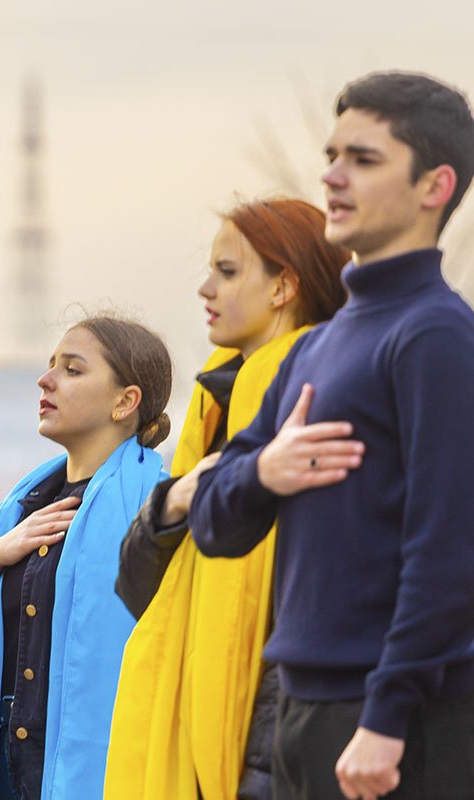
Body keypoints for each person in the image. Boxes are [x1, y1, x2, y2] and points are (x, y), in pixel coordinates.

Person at [189, 71, 474, 800]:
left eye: (364, 159)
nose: (332, 177)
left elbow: (449, 548)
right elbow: (216, 520)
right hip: (302, 711)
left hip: (397, 722)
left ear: (434, 186)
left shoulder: (436, 335)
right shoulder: (320, 345)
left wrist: (386, 717)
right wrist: (265, 472)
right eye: (332, 155)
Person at [105, 198, 349, 800]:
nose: (205, 288)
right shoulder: (213, 409)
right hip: (191, 724)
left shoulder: (327, 399)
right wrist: (176, 501)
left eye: (228, 271)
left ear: (283, 287)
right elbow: (138, 591)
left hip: (270, 742)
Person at [0, 315, 173, 800]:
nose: (45, 380)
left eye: (72, 370)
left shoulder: (156, 513)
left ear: (125, 401)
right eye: (50, 366)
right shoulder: (14, 514)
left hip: (105, 770)